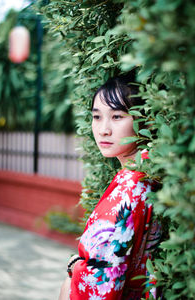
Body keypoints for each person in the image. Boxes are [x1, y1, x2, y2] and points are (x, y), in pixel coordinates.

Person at [59, 73, 161, 300]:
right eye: (97, 117)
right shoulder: (147, 175)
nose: (103, 129)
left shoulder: (129, 189)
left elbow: (99, 283)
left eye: (117, 116)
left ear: (143, 119)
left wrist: (74, 267)